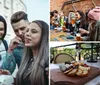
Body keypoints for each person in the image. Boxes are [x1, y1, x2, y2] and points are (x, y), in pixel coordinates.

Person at [16, 20, 49, 85]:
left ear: (43, 36)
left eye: (33, 31)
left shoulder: (46, 64)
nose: (27, 34)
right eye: (27, 31)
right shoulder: (27, 59)